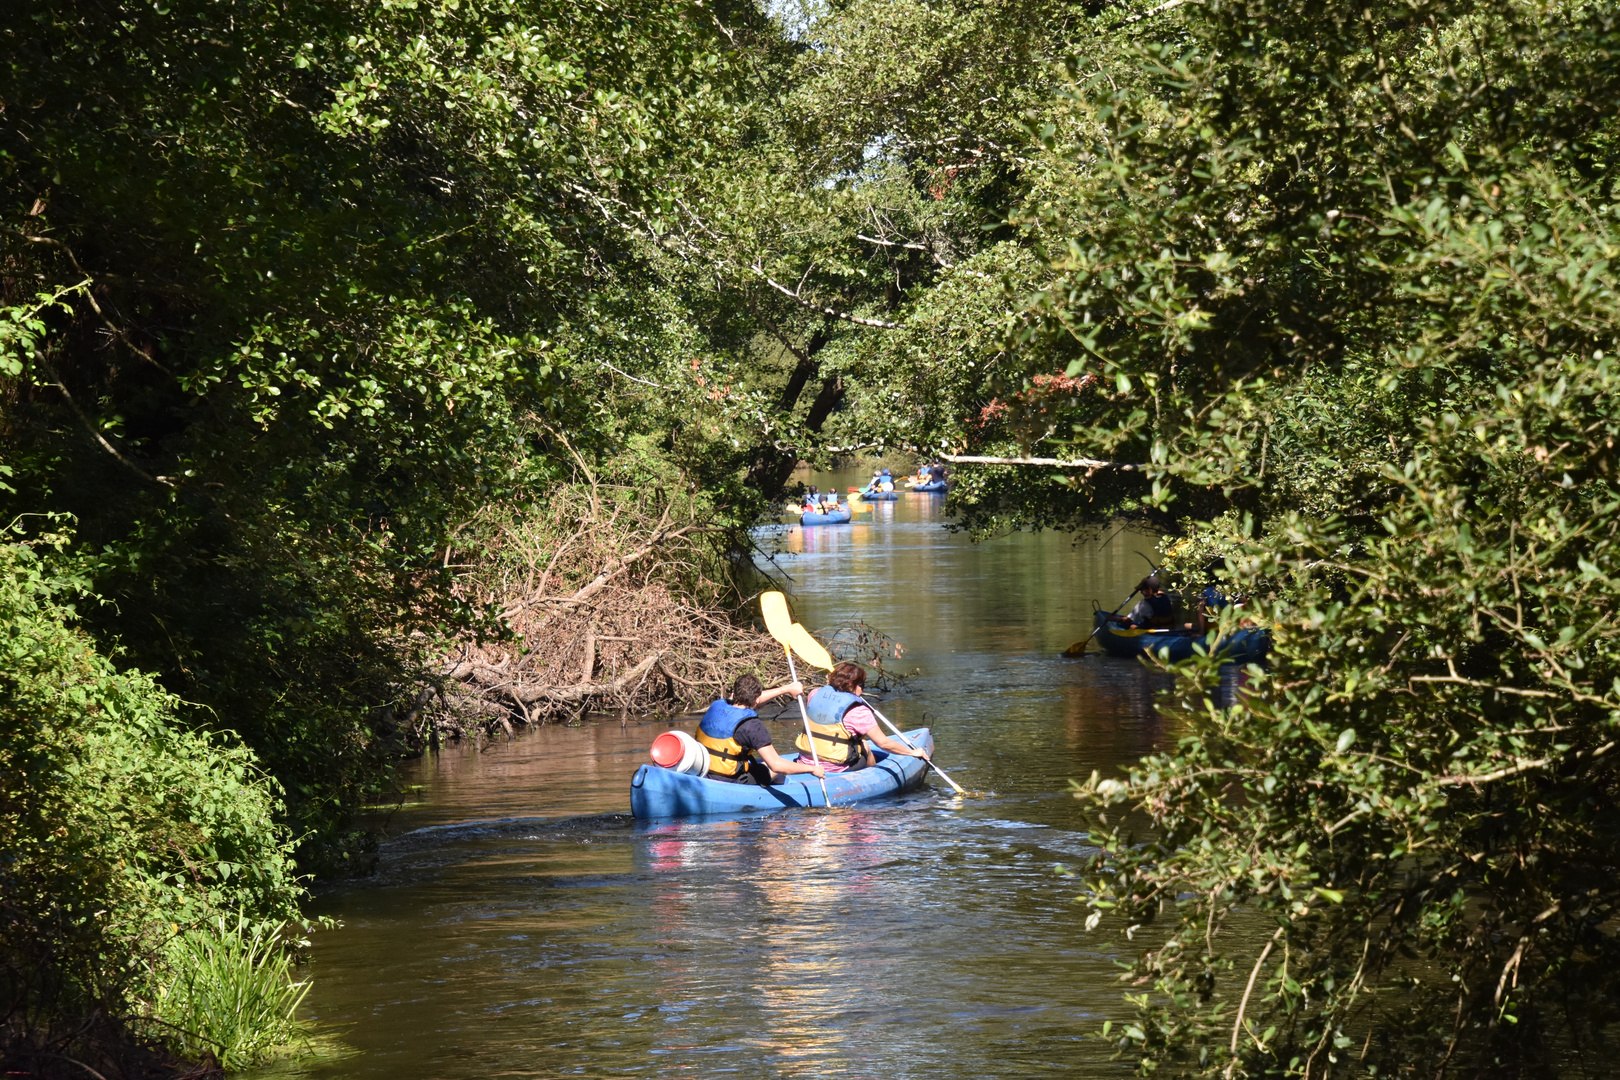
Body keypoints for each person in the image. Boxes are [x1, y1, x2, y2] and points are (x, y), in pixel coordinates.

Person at [799, 662, 930, 772]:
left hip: (805, 761)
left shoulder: (814, 694)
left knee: (856, 739)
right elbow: (883, 743)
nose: (862, 689)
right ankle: (872, 775)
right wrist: (912, 752)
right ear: (853, 685)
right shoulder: (858, 711)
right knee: (864, 744)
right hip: (836, 768)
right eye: (862, 685)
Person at [696, 674, 825, 785]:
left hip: (703, 771)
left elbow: (750, 701)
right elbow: (776, 765)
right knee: (773, 769)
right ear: (757, 699)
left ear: (733, 694)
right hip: (731, 780)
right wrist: (812, 769)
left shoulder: (717, 705)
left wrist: (787, 689)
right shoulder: (752, 726)